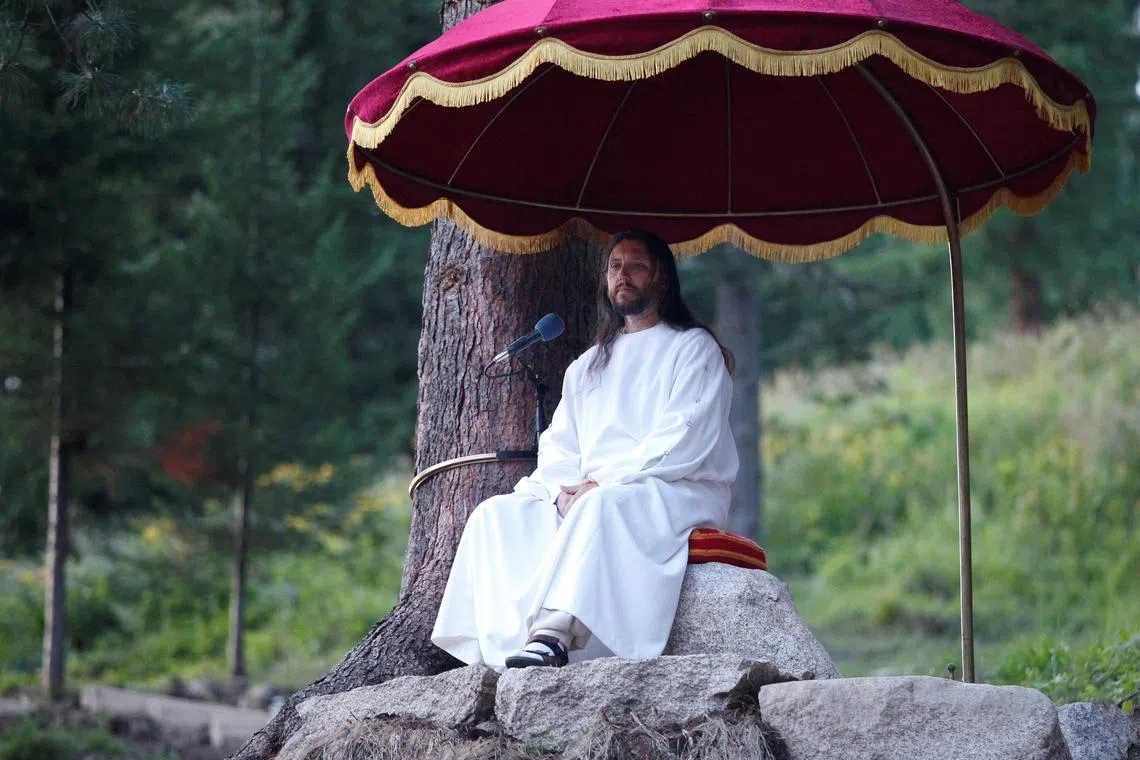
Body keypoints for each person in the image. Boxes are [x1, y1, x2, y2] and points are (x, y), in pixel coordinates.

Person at [431, 229, 739, 670]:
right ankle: (498, 654)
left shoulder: (693, 348)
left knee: (602, 506)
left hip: (675, 489)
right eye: (615, 266)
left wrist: (602, 483)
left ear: (663, 280)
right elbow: (560, 444)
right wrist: (560, 491)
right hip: (592, 492)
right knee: (496, 517)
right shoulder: (587, 364)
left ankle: (552, 637)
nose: (623, 275)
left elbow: (684, 438)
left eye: (636, 265)